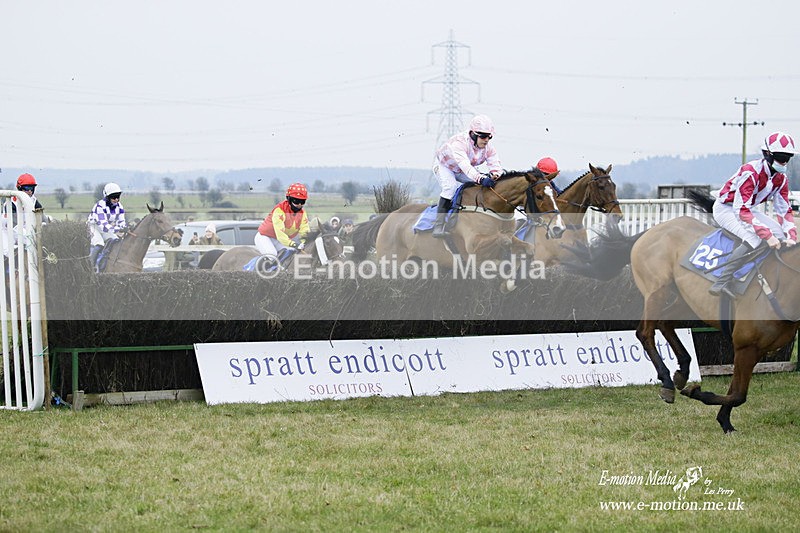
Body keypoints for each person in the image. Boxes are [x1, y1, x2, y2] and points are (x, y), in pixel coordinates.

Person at [708, 131, 798, 297]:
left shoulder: (781, 179)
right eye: (780, 156)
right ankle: (722, 281)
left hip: (747, 209)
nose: (784, 162)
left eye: (787, 157)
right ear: (768, 154)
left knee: (778, 233)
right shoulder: (751, 172)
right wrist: (766, 234)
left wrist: (791, 235)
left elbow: (784, 210)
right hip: (726, 208)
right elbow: (741, 210)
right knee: (755, 237)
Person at [432, 114, 503, 237]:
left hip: (461, 170)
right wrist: (481, 178)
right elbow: (466, 167)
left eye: (489, 137)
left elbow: (495, 164)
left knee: (479, 187)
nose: (486, 140)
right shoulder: (459, 143)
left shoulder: (488, 148)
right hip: (445, 167)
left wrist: (495, 174)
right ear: (473, 134)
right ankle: (438, 225)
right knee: (450, 187)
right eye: (483, 136)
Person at [255, 182, 310, 259]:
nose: (299, 205)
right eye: (296, 201)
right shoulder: (279, 210)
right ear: (289, 199)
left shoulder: (302, 213)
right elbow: (280, 234)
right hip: (264, 237)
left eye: (302, 201)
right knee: (272, 255)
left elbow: (305, 231)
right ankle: (256, 269)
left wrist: (305, 243)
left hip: (278, 240)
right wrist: (294, 244)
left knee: (291, 253)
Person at [87, 182, 127, 272]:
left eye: (118, 196)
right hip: (94, 227)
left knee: (115, 241)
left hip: (107, 227)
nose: (116, 199)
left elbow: (121, 221)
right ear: (107, 197)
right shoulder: (100, 206)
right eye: (113, 197)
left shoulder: (120, 206)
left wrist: (124, 227)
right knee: (99, 243)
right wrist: (118, 229)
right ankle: (91, 268)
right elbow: (104, 226)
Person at [514, 157, 561, 231]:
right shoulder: (529, 181)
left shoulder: (549, 184)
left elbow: (559, 194)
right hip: (522, 210)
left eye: (549, 175)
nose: (547, 178)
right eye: (545, 174)